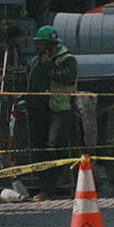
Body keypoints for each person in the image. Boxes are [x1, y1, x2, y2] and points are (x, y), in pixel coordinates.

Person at [24, 25, 82, 197]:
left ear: (52, 44)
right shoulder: (37, 61)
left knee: (55, 145)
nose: (39, 47)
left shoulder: (67, 59)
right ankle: (46, 188)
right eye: (38, 44)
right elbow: (33, 81)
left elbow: (67, 77)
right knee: (39, 148)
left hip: (60, 110)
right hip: (38, 110)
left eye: (42, 44)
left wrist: (48, 66)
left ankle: (67, 178)